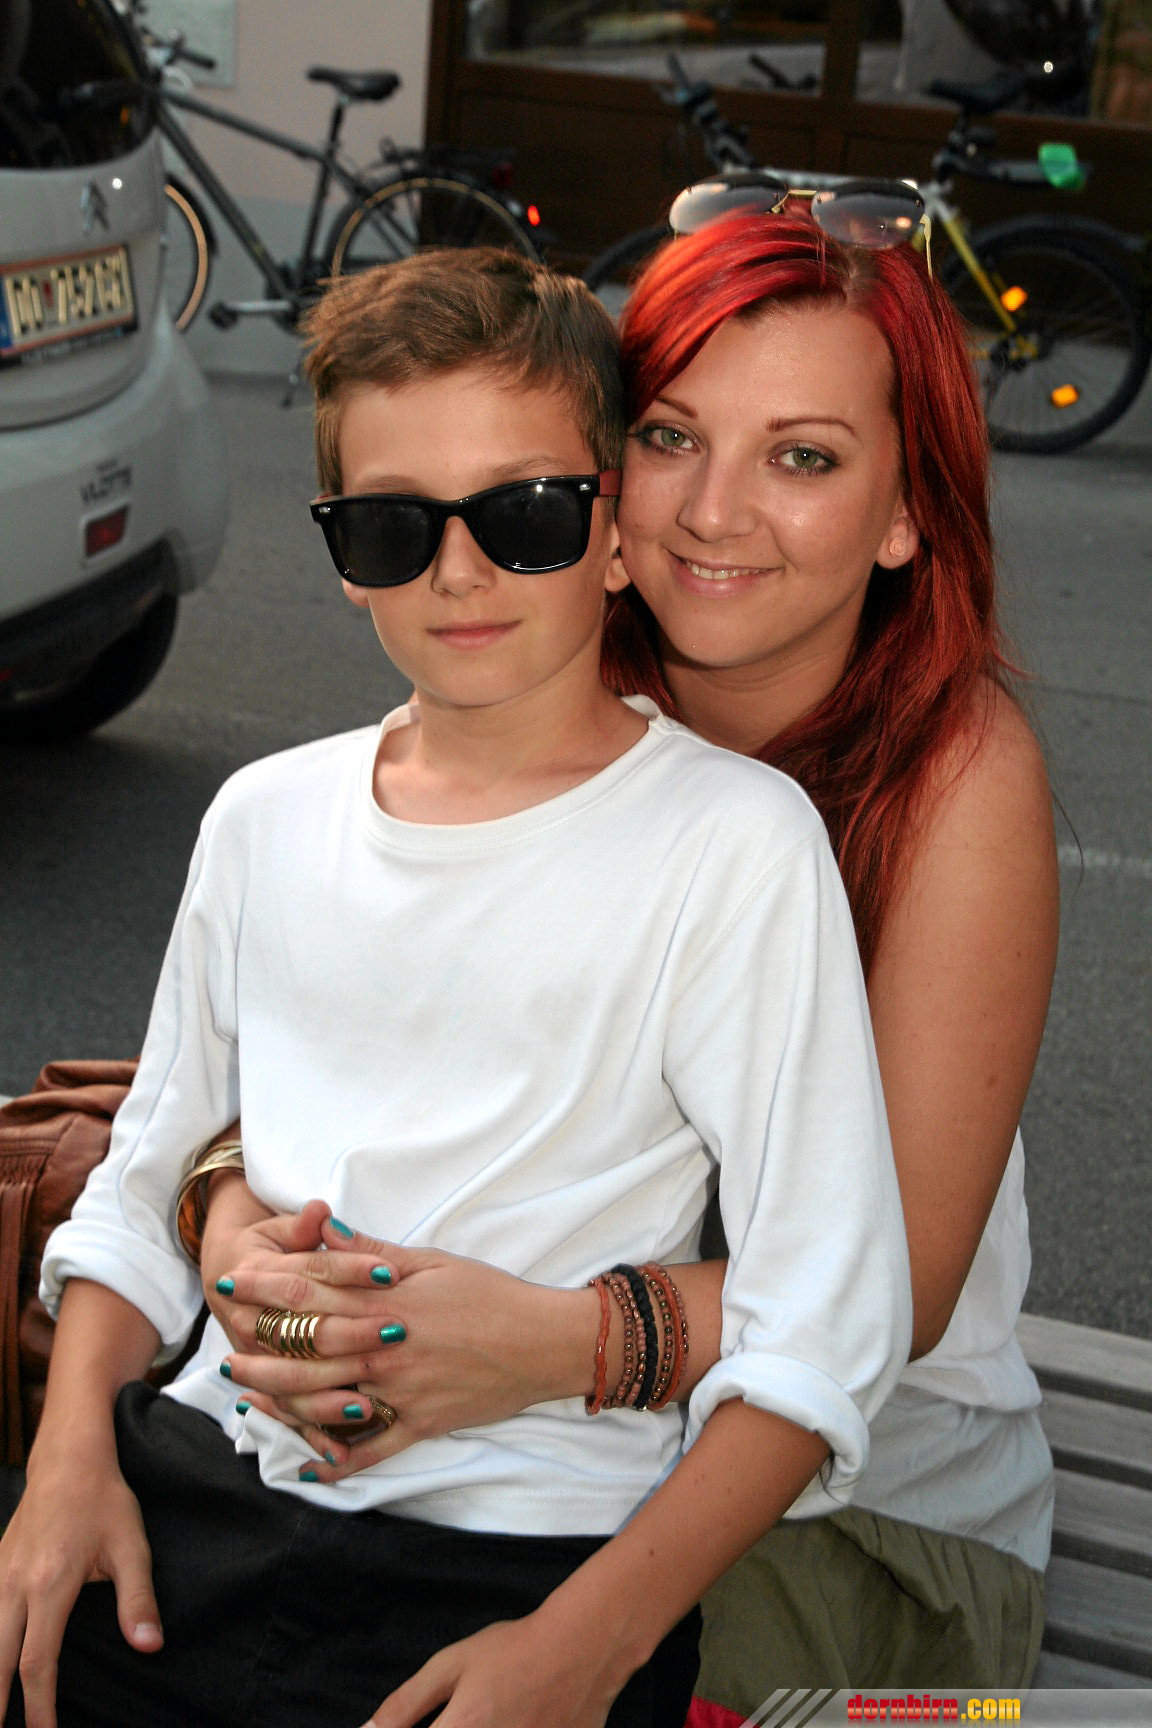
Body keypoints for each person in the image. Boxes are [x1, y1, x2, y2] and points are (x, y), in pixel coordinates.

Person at [0, 247, 912, 1728]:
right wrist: (65, 1469)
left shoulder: (733, 846)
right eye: (392, 526)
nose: (460, 572)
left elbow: (825, 1324)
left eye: (525, 512)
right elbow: (144, 1182)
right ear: (339, 550)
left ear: (613, 533)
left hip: (529, 1560)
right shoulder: (264, 819)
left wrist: (588, 1648)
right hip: (196, 1486)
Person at [186, 200, 1061, 1709]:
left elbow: (897, 1293)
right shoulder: (548, 671)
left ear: (906, 512)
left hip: (857, 1499)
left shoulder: (956, 777)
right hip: (494, 1438)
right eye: (671, 436)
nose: (714, 511)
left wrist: (544, 1345)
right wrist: (228, 1221)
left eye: (804, 458)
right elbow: (322, 1015)